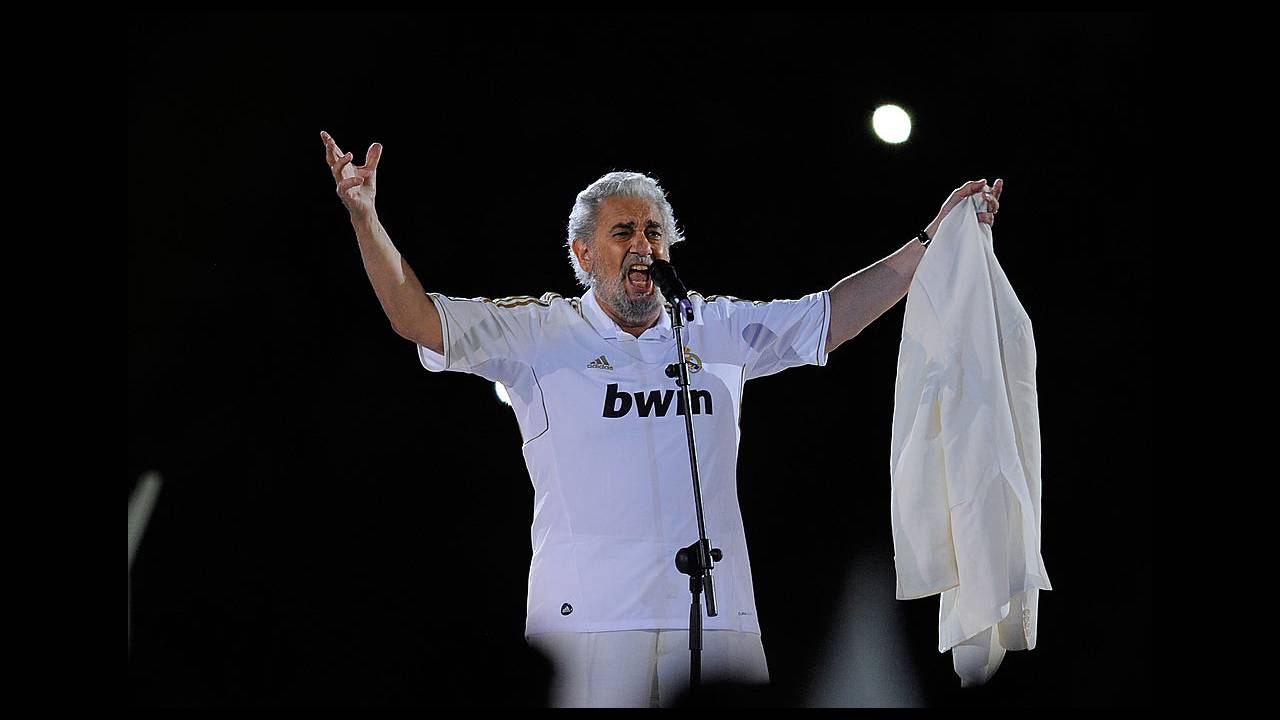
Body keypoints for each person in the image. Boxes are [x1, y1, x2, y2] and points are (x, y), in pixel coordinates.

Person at [319, 130, 1002, 707]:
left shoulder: (715, 326)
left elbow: (831, 318)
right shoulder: (539, 333)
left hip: (714, 614)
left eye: (654, 231)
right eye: (623, 232)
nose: (643, 244)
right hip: (587, 623)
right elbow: (419, 319)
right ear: (583, 255)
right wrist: (364, 218)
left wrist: (929, 242)